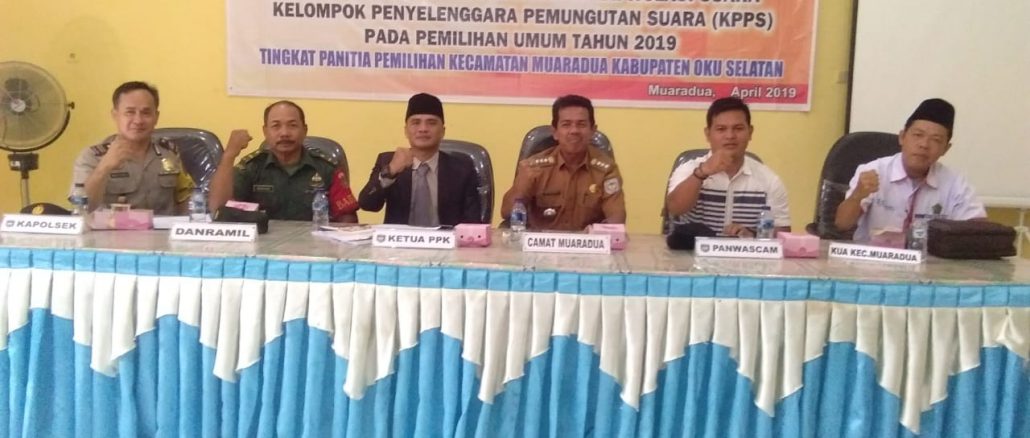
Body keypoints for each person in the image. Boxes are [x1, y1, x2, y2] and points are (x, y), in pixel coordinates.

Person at [835, 98, 986, 242]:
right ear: (902, 137)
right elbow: (842, 224)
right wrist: (857, 195)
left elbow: (979, 232)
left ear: (945, 149)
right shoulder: (874, 171)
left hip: (929, 260)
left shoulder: (955, 183)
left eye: (936, 140)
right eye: (918, 135)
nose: (924, 145)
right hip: (873, 258)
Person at [208, 100, 359, 222]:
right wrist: (229, 155)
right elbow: (218, 209)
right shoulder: (252, 167)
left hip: (315, 244)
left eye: (292, 125)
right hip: (261, 245)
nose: (284, 133)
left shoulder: (326, 168)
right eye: (276, 126)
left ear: (304, 130)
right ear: (265, 132)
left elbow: (347, 217)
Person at [666, 97, 791, 237]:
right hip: (692, 250)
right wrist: (702, 173)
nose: (730, 136)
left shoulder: (769, 180)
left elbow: (783, 233)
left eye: (738, 128)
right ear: (708, 134)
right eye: (721, 129)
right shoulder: (688, 169)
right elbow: (675, 209)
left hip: (746, 251)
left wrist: (753, 235)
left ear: (750, 133)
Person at [500, 95, 626, 230]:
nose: (574, 131)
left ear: (592, 131)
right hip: (541, 241)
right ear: (555, 132)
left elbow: (616, 220)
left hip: (587, 241)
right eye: (566, 124)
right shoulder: (534, 168)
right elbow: (506, 213)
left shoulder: (606, 170)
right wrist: (521, 187)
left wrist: (597, 234)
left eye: (581, 124)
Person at [358, 93, 482, 226]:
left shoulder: (462, 168)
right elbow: (367, 205)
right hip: (400, 238)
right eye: (416, 123)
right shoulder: (388, 161)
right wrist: (390, 172)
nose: (423, 129)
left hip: (446, 238)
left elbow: (473, 222)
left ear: (442, 131)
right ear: (406, 131)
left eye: (431, 123)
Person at [71, 81, 193, 215]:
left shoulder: (170, 152)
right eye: (130, 112)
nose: (138, 120)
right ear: (115, 115)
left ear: (156, 117)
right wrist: (103, 168)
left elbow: (185, 198)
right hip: (113, 228)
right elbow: (82, 207)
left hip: (163, 228)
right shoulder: (92, 157)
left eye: (146, 113)